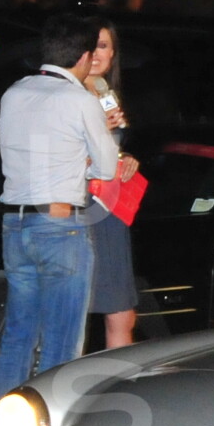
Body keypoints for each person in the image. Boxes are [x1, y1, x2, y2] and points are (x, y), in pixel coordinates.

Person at [0, 11, 132, 399]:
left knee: (18, 335)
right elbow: (106, 167)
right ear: (83, 57)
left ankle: (3, 422)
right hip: (60, 226)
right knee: (62, 343)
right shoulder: (79, 100)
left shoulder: (14, 92)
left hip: (15, 225)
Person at [83, 21, 139, 351]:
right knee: (94, 310)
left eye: (102, 46)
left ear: (113, 53)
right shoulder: (69, 96)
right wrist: (99, 132)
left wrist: (126, 158)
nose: (95, 53)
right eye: (90, 45)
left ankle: (117, 377)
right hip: (84, 209)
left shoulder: (105, 92)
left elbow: (113, 144)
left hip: (112, 207)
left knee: (122, 313)